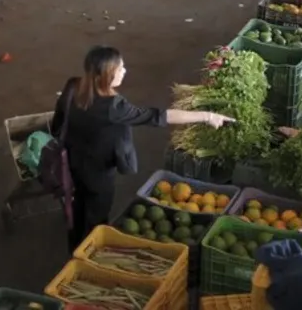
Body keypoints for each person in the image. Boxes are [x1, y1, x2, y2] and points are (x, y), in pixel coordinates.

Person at [56, 46, 235, 251]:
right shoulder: (113, 106)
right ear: (107, 74)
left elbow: (58, 122)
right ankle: (86, 252)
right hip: (99, 170)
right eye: (120, 68)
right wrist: (207, 116)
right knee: (96, 214)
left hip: (73, 161)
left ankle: (74, 242)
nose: (125, 71)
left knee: (79, 202)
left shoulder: (73, 86)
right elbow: (158, 116)